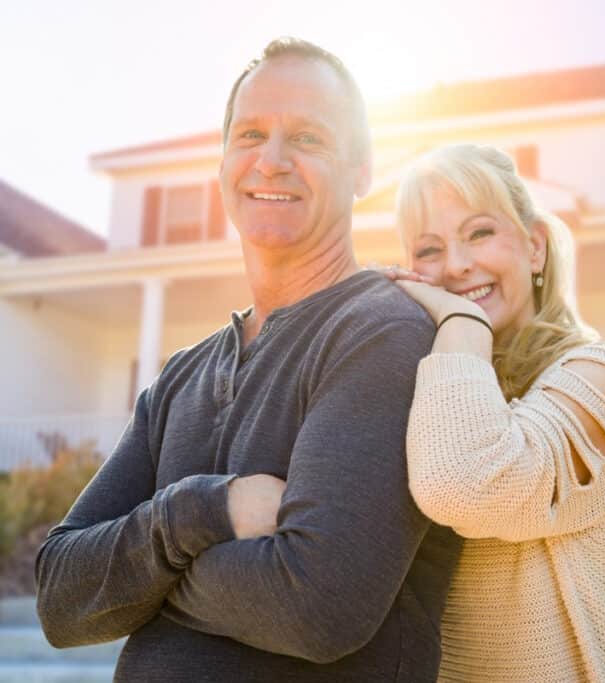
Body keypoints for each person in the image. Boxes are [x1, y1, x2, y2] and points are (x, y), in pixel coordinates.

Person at [35, 37, 461, 681]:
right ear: (223, 161)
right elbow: (60, 598)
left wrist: (138, 588)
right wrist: (207, 512)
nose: (272, 160)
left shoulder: (380, 335)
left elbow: (317, 605)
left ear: (363, 169)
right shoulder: (181, 377)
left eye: (309, 138)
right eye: (250, 134)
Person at [383, 144, 605, 681]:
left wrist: (460, 323)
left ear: (534, 247)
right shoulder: (432, 395)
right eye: (428, 249)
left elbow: (465, 484)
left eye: (479, 233)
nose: (456, 265)